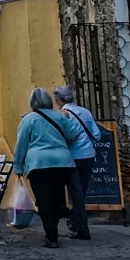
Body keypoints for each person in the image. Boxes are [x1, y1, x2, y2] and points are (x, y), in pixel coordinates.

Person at [13, 87, 83, 249]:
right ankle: (54, 228)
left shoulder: (28, 119)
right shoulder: (59, 117)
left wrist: (18, 166)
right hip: (62, 162)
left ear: (32, 103)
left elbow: (21, 144)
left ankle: (51, 236)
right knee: (57, 198)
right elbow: (73, 135)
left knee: (44, 200)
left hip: (39, 164)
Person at [54, 84, 99, 240]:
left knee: (74, 193)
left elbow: (64, 136)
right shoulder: (85, 112)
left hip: (72, 157)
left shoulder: (63, 114)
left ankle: (81, 227)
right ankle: (75, 222)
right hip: (88, 156)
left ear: (58, 99)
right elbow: (97, 134)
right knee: (81, 192)